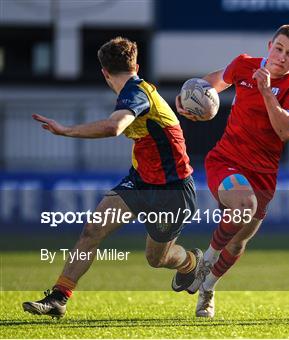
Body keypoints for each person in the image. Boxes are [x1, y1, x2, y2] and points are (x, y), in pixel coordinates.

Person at [23, 37, 201, 318]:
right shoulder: (138, 90)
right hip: (140, 182)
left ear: (104, 72)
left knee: (158, 258)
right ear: (137, 65)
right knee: (92, 231)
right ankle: (59, 297)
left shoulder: (136, 93)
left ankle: (191, 263)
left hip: (173, 190)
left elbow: (114, 127)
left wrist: (66, 130)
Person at [176, 24, 289, 318]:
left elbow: (286, 131)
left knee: (238, 242)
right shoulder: (244, 65)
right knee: (244, 204)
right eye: (279, 49)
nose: (282, 57)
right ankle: (205, 261)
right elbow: (211, 83)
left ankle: (208, 288)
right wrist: (188, 98)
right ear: (269, 45)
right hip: (226, 159)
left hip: (263, 173)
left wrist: (266, 92)